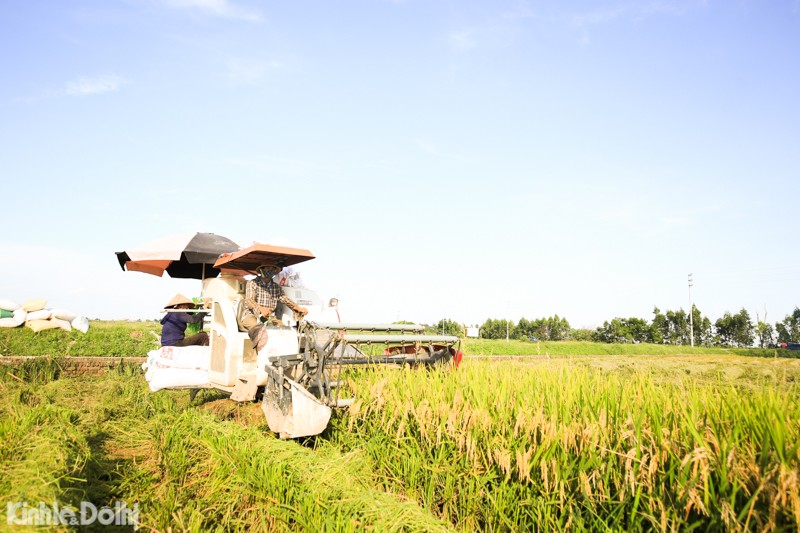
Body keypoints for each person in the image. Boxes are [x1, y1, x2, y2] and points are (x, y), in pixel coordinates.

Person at [239, 264, 308, 351]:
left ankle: (281, 358)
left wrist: (298, 308)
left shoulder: (276, 287)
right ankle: (259, 359)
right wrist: (260, 308)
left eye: (272, 269)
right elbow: (249, 300)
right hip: (251, 315)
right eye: (268, 268)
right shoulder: (252, 283)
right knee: (260, 332)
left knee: (286, 333)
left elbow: (285, 299)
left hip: (270, 317)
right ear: (261, 270)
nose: (270, 270)